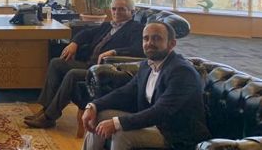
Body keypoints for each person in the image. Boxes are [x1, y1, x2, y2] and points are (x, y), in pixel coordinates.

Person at [81, 21, 211, 150]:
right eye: (146, 38)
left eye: (156, 38)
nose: (149, 43)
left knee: (122, 134)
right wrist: (93, 106)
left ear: (172, 44)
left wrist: (116, 123)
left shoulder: (181, 71)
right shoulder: (146, 65)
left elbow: (162, 111)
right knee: (99, 116)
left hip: (176, 134)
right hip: (153, 123)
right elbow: (124, 92)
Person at [25, 0, 144, 128]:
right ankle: (46, 109)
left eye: (121, 9)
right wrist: (74, 43)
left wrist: (115, 52)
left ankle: (49, 117)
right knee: (56, 63)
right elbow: (86, 33)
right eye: (114, 9)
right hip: (89, 64)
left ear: (132, 12)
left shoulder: (137, 29)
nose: (116, 12)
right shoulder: (108, 25)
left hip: (105, 71)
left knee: (73, 74)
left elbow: (138, 49)